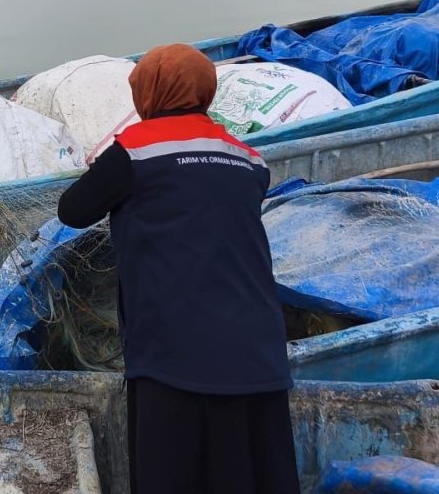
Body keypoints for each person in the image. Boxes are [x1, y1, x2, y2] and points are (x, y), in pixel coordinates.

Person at [56, 44, 299, 493]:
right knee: (253, 473)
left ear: (149, 93)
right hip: (258, 348)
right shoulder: (248, 158)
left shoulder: (132, 152)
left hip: (176, 353)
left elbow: (72, 210)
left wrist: (104, 173)